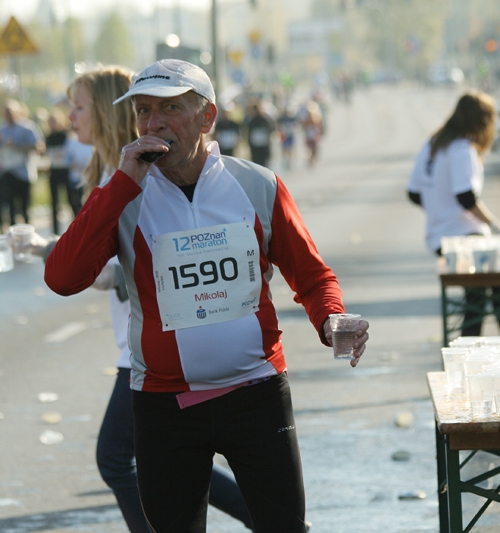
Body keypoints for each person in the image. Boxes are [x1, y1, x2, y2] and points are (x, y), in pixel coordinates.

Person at [43, 59, 370, 532]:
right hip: (164, 405)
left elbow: (313, 277)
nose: (153, 124)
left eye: (170, 109)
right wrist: (118, 188)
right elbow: (62, 277)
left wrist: (332, 319)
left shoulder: (257, 184)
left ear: (207, 117)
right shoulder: (123, 195)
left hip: (256, 394)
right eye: (143, 111)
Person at [25, 66, 255, 532]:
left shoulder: (131, 173)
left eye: (79, 106)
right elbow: (85, 264)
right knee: (165, 456)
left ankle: (270, 515)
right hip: (148, 343)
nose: (70, 116)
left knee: (117, 458)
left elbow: (117, 271)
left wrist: (45, 247)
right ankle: (268, 514)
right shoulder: (117, 169)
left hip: (152, 345)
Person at [407, 91, 500, 342]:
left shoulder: (431, 145)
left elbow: (414, 194)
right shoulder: (463, 148)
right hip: (465, 235)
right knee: (495, 284)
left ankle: (486, 343)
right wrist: (497, 226)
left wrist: (438, 209)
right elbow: (466, 198)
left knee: (477, 294)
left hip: (438, 238)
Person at [0, 99, 44, 229]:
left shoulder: (27, 128)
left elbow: (39, 147)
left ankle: (28, 236)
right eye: (6, 112)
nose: (8, 115)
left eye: (11, 112)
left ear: (18, 112)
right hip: (7, 173)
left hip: (24, 173)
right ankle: (12, 238)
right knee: (9, 207)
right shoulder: (2, 129)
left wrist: (17, 146)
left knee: (25, 208)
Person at [45, 109, 83, 234]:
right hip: (54, 172)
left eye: (54, 121)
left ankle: (76, 229)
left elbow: (70, 152)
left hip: (65, 172)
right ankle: (55, 232)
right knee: (54, 203)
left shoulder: (66, 136)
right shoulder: (49, 137)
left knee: (71, 201)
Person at [245, 102, 276, 168]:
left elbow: (271, 128)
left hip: (263, 146)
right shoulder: (251, 120)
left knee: (263, 164)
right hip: (255, 146)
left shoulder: (264, 120)